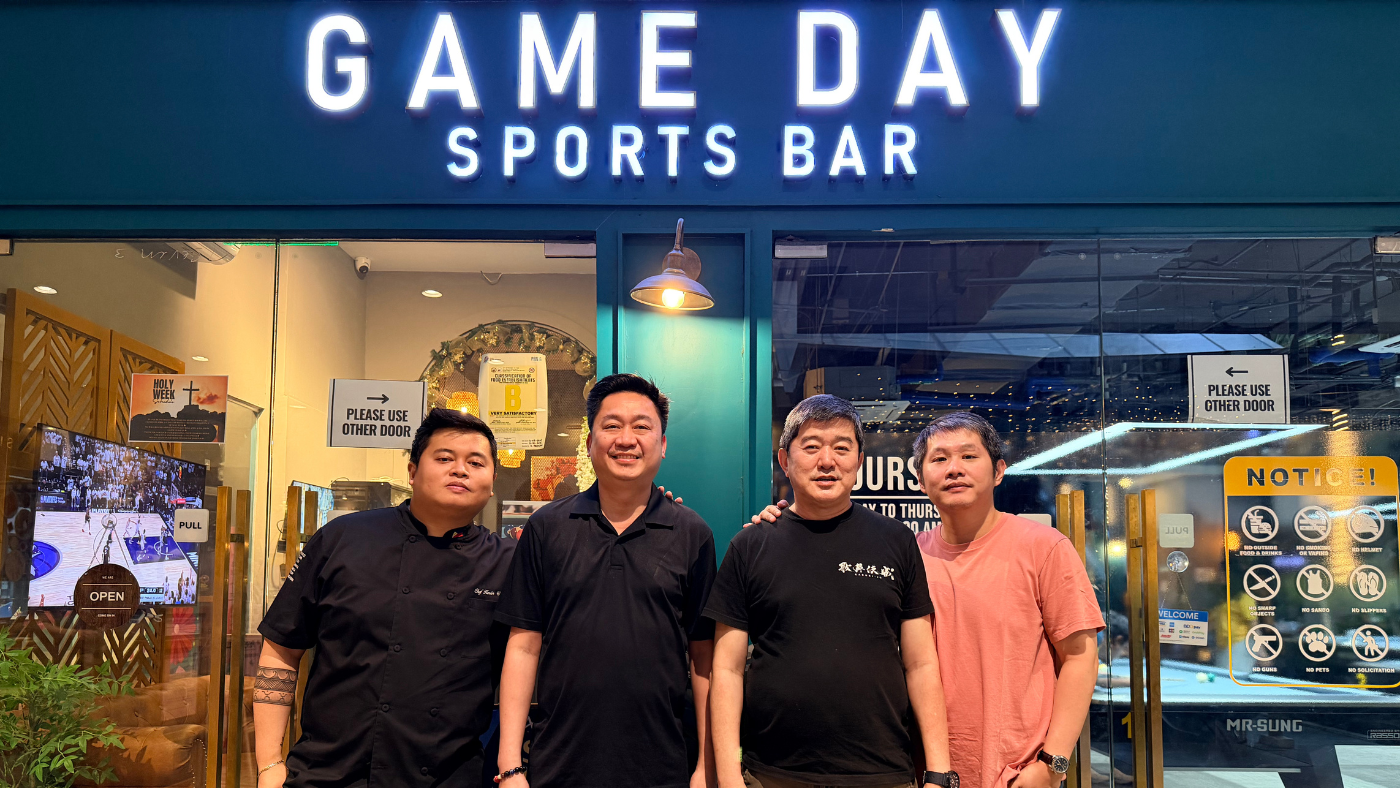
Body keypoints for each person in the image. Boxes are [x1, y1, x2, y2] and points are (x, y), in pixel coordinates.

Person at [754, 411, 1103, 788]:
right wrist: (782, 526)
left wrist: (1052, 763)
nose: (954, 469)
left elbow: (1081, 658)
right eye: (939, 459)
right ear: (920, 480)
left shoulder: (1044, 548)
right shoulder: (907, 553)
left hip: (1015, 771)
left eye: (969, 456)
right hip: (922, 768)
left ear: (999, 471)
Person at [253, 409, 514, 788]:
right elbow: (281, 648)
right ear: (412, 472)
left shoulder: (507, 563)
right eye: (444, 458)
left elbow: (525, 662)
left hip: (447, 777)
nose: (460, 470)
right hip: (328, 773)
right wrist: (269, 763)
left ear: (491, 484)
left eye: (475, 462)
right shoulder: (342, 538)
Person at [709, 395, 953, 788]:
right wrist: (728, 777)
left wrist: (939, 773)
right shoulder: (750, 546)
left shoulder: (896, 541)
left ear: (859, 460)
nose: (827, 461)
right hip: (772, 773)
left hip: (883, 773)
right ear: (785, 460)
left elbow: (922, 663)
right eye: (811, 447)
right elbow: (727, 668)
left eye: (842, 448)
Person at [493, 373, 718, 788]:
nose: (626, 439)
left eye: (642, 427)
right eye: (611, 425)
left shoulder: (692, 534)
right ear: (589, 442)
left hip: (662, 767)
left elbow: (703, 658)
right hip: (558, 765)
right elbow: (523, 646)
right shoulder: (546, 527)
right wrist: (510, 766)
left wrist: (707, 766)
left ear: (662, 444)